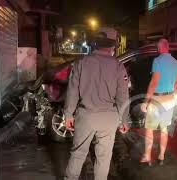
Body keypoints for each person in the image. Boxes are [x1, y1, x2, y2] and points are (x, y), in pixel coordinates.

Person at [63, 30, 130, 180]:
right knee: (104, 157)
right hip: (108, 118)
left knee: (78, 154)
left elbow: (72, 91)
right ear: (113, 46)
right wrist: (124, 119)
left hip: (86, 116)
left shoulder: (81, 63)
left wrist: (68, 114)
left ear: (96, 44)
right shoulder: (119, 67)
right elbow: (123, 96)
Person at [140, 38, 177, 166]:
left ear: (159, 47)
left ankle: (147, 156)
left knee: (149, 129)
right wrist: (169, 92)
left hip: (157, 99)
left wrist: (146, 101)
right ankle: (161, 156)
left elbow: (154, 83)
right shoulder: (176, 63)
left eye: (157, 47)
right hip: (169, 99)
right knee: (164, 129)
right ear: (168, 47)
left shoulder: (157, 61)